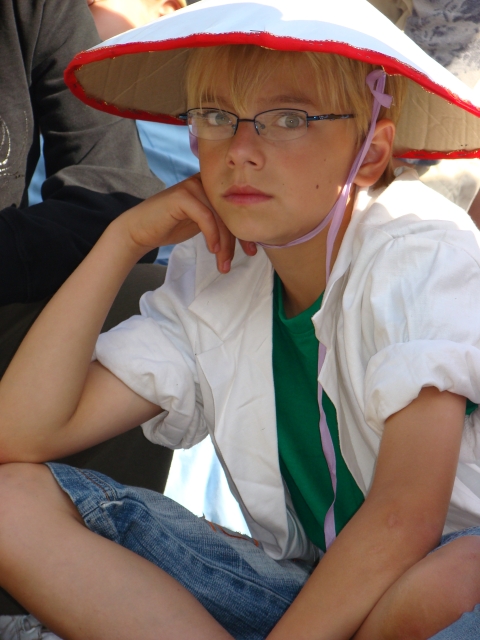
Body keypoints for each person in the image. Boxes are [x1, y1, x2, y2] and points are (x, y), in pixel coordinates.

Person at [1, 0, 480, 638]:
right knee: (10, 501)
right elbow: (20, 435)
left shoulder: (421, 248)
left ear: (369, 154)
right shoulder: (218, 272)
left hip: (438, 586)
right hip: (313, 592)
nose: (241, 151)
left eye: (289, 119)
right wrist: (122, 240)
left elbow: (406, 518)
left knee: (455, 575)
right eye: (215, 116)